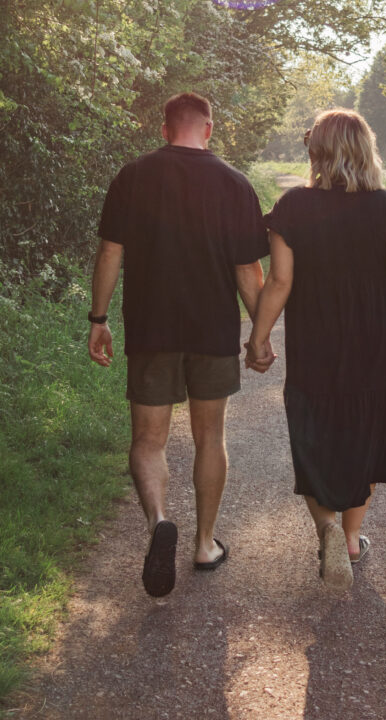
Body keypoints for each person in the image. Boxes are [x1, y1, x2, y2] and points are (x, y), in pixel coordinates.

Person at [245, 109, 386, 591]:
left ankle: (328, 530)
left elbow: (278, 281)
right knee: (365, 439)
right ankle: (352, 539)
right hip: (377, 347)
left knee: (317, 439)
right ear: (366, 148)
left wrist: (257, 339)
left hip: (316, 348)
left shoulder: (292, 206)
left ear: (315, 150)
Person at [88, 93, 271, 597]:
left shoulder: (133, 176)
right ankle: (205, 544)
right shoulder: (235, 185)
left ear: (164, 128)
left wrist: (98, 318)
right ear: (209, 129)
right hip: (212, 332)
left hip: (151, 329)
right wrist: (259, 336)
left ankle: (159, 522)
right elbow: (249, 273)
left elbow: (110, 251)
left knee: (148, 441)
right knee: (210, 438)